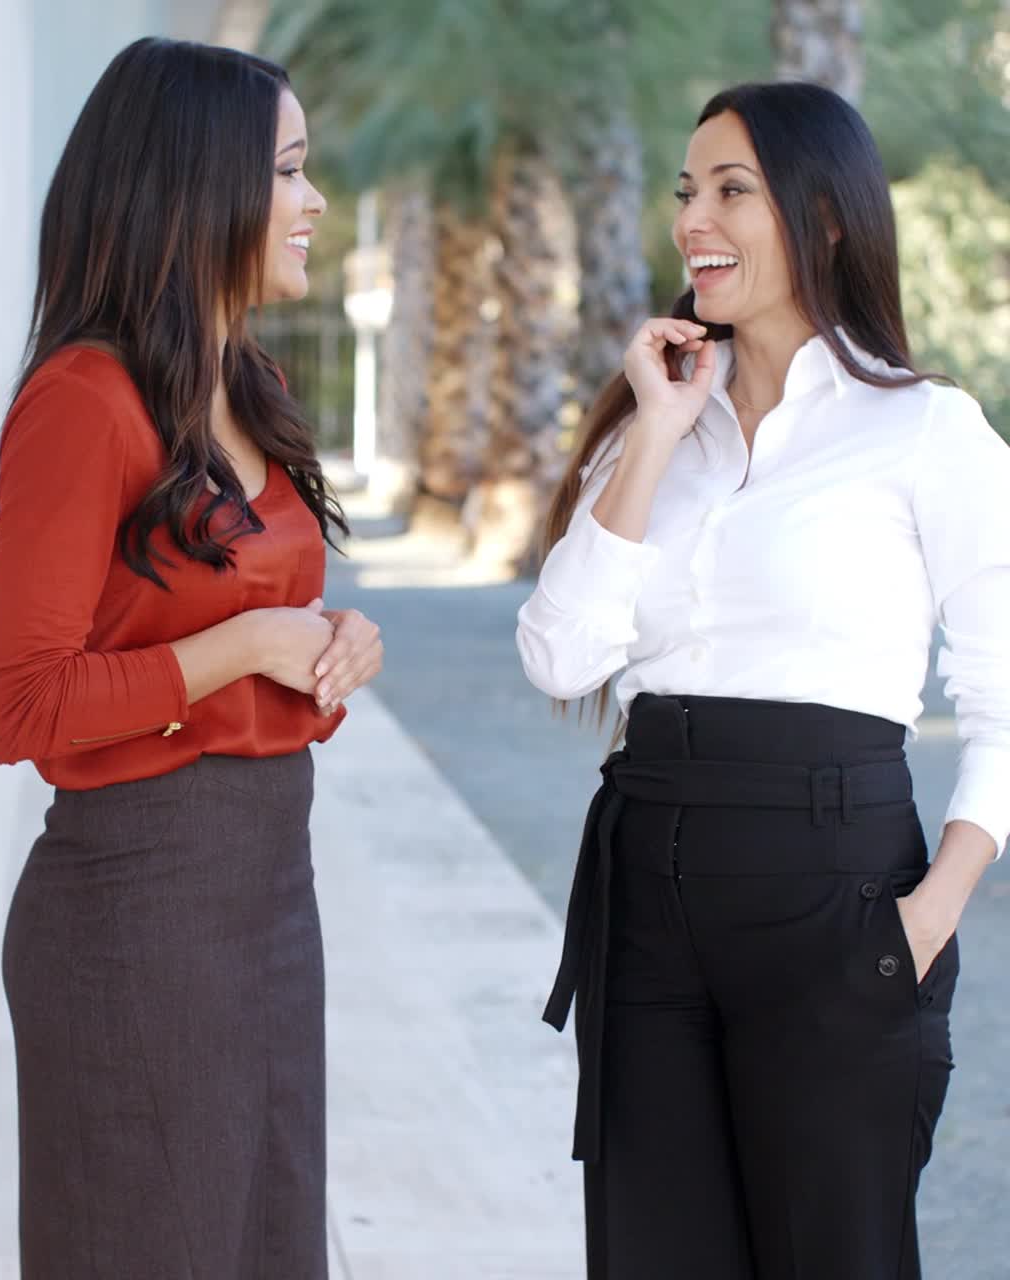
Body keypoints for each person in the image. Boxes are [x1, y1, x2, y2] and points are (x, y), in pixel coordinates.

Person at [517, 80, 1010, 1279]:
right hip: (647, 895)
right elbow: (558, 655)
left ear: (825, 218)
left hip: (833, 896)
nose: (696, 217)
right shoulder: (659, 428)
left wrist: (926, 915)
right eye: (688, 190)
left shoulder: (921, 430)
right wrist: (646, 431)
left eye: (733, 189)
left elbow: (1003, 692)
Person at [0, 38, 382, 1280]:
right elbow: (19, 702)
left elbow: (249, 634)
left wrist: (328, 651)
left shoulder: (243, 384)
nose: (312, 204)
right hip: (135, 910)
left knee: (264, 1243)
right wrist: (247, 640)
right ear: (198, 186)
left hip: (266, 894)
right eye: (289, 173)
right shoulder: (85, 401)